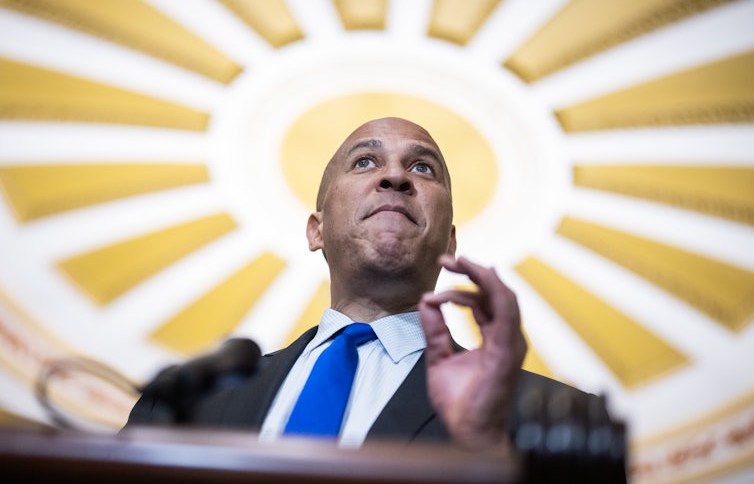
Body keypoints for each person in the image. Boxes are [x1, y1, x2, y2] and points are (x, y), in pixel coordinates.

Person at [125, 117, 612, 455]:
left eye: (422, 168)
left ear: (451, 241)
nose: (395, 176)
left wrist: (485, 443)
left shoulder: (559, 422)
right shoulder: (183, 404)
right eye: (365, 162)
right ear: (316, 230)